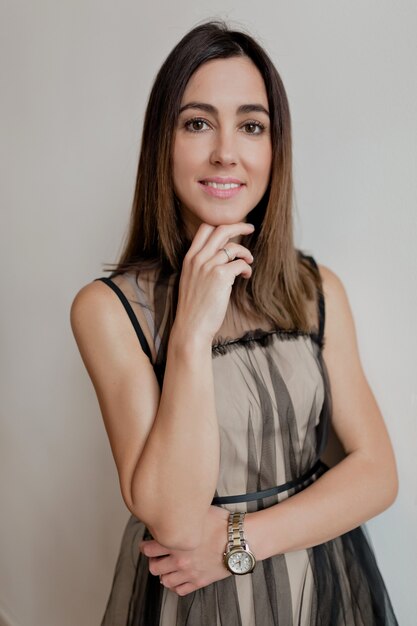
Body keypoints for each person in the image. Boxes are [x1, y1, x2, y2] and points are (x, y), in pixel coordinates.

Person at [70, 20, 399, 626]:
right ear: (162, 143)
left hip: (320, 585)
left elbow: (378, 473)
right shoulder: (108, 309)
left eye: (251, 125)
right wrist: (193, 333)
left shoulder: (315, 290)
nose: (226, 150)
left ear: (275, 149)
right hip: (194, 603)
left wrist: (237, 542)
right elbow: (171, 515)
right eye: (197, 123)